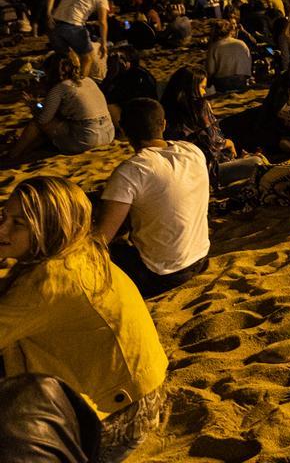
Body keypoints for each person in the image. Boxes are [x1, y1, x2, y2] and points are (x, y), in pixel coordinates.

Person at [0, 176, 168, 461]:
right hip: (143, 390)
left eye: (18, 224)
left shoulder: (49, 281)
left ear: (50, 228)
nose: (2, 228)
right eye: (4, 216)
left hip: (117, 415)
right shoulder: (79, 250)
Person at [95, 98, 210, 299]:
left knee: (101, 252)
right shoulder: (193, 151)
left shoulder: (132, 171)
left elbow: (102, 237)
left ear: (123, 131)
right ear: (163, 124)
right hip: (199, 257)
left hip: (161, 274)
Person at [3, 50, 115, 164]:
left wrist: (33, 106)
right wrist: (38, 104)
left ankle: (12, 155)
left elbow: (43, 119)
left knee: (36, 123)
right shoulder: (88, 80)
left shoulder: (60, 88)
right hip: (108, 134)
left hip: (87, 138)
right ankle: (26, 149)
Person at [161, 67, 266, 188]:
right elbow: (214, 144)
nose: (204, 92)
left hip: (179, 172)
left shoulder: (164, 110)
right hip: (206, 172)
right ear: (191, 88)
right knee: (257, 162)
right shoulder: (200, 106)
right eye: (202, 87)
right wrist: (228, 143)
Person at [45, 0, 111, 79]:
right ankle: (80, 84)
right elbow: (102, 22)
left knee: (66, 58)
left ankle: (64, 82)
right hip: (73, 27)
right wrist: (103, 43)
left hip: (54, 27)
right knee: (87, 59)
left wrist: (48, 14)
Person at [100, 45, 158, 120]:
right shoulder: (117, 73)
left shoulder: (139, 79)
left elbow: (109, 98)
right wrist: (110, 75)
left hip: (140, 116)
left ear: (128, 63)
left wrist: (111, 76)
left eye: (121, 58)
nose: (116, 60)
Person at [205, 18, 252, 92]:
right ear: (231, 31)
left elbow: (210, 71)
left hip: (222, 83)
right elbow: (248, 63)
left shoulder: (214, 47)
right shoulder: (242, 43)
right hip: (241, 80)